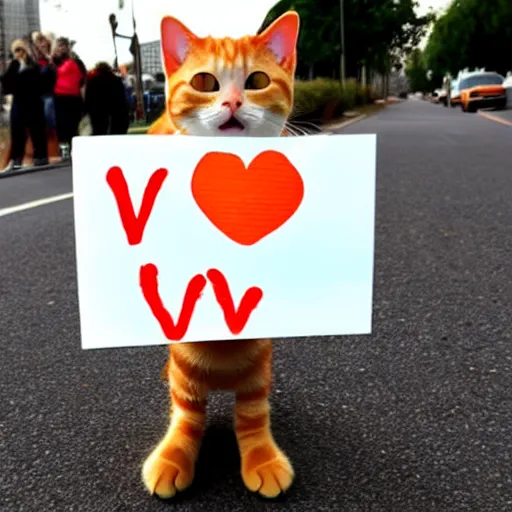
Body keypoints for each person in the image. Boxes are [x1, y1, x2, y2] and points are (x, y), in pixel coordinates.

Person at [0, 39, 48, 171]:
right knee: (17, 132)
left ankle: (41, 157)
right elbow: (7, 86)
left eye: (21, 50)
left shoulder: (34, 66)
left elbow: (41, 83)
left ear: (26, 51)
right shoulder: (14, 66)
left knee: (37, 131)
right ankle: (17, 160)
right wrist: (16, 67)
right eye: (16, 50)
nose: (19, 53)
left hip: (34, 103)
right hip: (19, 104)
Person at [52, 37, 85, 159]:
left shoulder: (76, 62)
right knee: (62, 124)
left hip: (74, 98)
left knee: (73, 124)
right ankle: (64, 148)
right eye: (59, 45)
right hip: (60, 98)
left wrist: (84, 99)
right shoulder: (53, 62)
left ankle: (73, 149)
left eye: (64, 45)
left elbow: (82, 82)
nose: (62, 48)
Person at [84, 62, 130, 135]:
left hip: (97, 110)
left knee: (99, 131)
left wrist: (86, 110)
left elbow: (88, 98)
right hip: (115, 110)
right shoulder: (116, 80)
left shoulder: (92, 81)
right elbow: (121, 98)